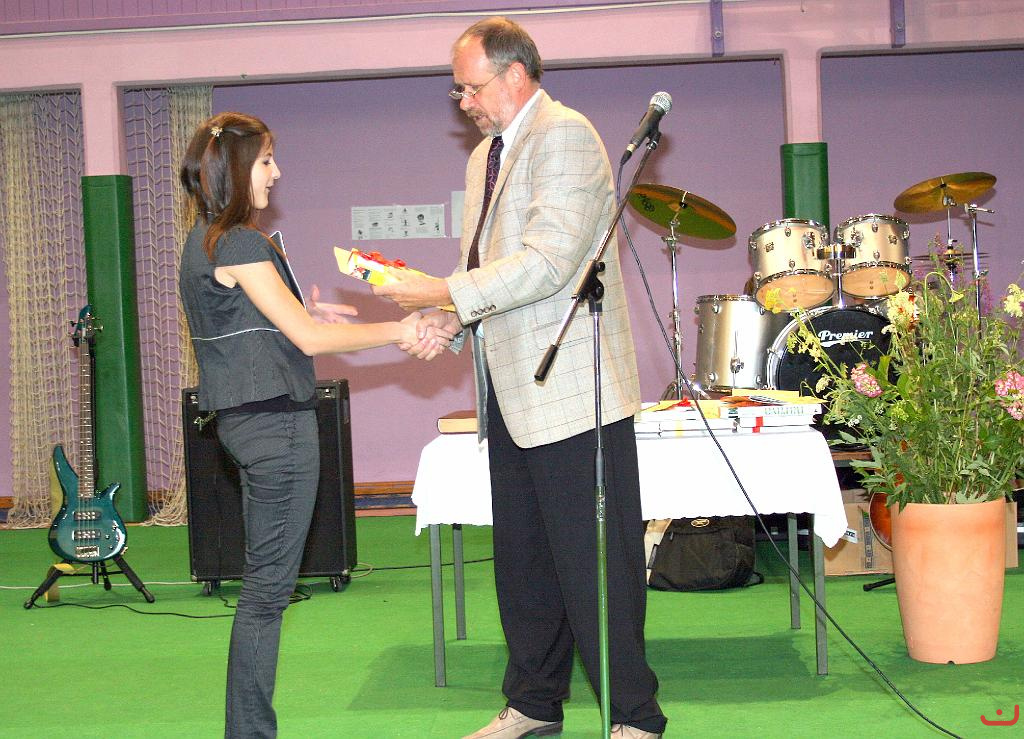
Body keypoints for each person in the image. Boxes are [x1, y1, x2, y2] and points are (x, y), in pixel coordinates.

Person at [373, 17, 667, 739]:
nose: (463, 103)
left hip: (572, 389)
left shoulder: (566, 135)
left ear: (514, 75)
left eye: (470, 88)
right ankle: (534, 701)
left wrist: (441, 290)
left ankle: (634, 714)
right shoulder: (486, 156)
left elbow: (549, 262)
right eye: (457, 92)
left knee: (596, 565)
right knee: (525, 562)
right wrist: (449, 318)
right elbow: (484, 269)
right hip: (508, 387)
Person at [177, 111, 451, 738]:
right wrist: (401, 328)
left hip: (249, 425)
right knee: (267, 594)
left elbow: (267, 321)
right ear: (237, 168)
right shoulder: (240, 242)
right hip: (275, 428)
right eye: (266, 160)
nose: (276, 172)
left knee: (264, 589)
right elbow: (306, 338)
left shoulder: (207, 240)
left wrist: (310, 313)